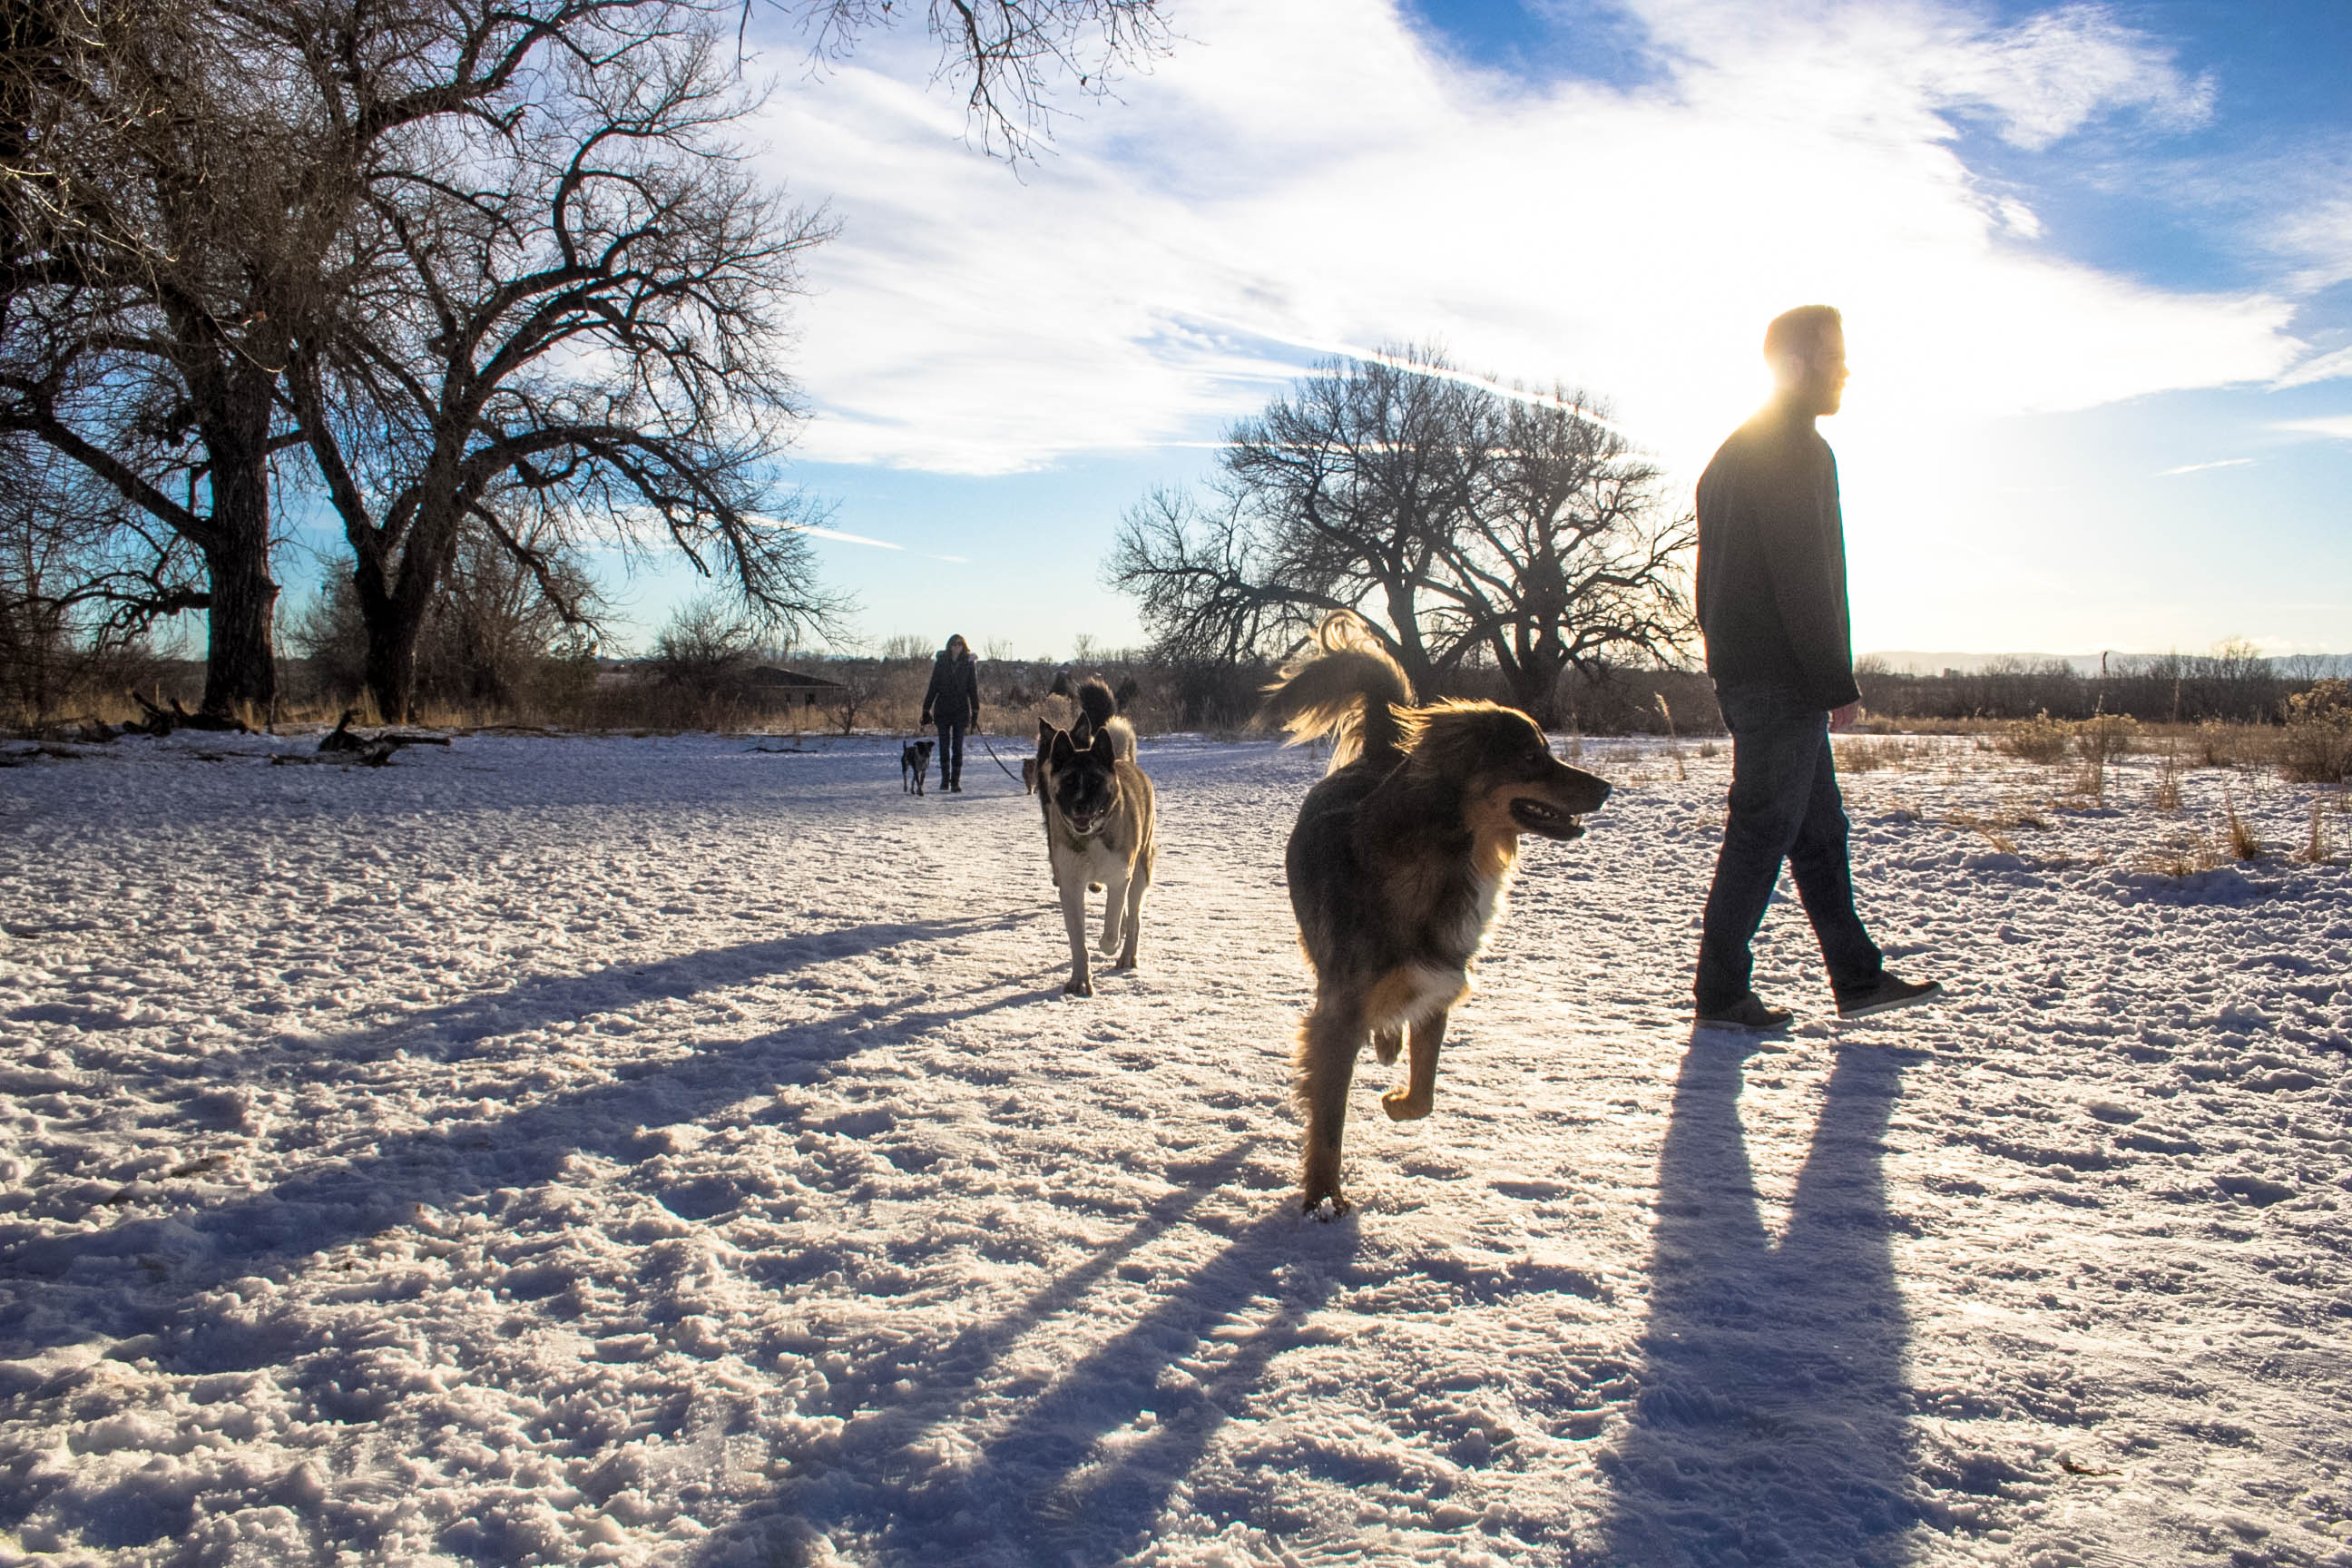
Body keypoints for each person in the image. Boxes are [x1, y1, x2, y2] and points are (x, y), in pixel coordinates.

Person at [1691, 306, 1941, 1030]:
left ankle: (1857, 977)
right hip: (1782, 681)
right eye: (1833, 356)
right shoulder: (1797, 450)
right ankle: (1720, 991)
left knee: (1819, 830)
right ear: (1797, 365)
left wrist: (1729, 666)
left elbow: (1708, 587)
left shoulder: (1730, 454)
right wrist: (1834, 681)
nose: (1845, 369)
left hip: (1752, 675)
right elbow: (1808, 579)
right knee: (1763, 829)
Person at [919, 633, 981, 792]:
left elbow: (973, 689)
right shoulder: (941, 663)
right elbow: (933, 686)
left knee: (958, 747)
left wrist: (975, 711)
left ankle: (955, 782)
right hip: (943, 709)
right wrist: (926, 709)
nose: (957, 647)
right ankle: (945, 780)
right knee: (944, 746)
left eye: (960, 644)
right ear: (949, 646)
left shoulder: (969, 664)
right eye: (954, 644)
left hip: (960, 710)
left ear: (964, 646)